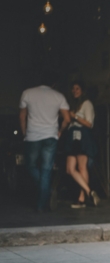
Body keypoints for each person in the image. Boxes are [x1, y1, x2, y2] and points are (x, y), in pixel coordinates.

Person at [19, 71, 71, 212]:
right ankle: (41, 205)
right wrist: (60, 130)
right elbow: (67, 119)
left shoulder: (27, 93)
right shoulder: (59, 96)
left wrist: (24, 133)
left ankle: (46, 191)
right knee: (46, 170)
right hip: (50, 136)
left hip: (33, 136)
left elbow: (22, 115)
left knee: (30, 166)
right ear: (53, 84)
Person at [64, 81, 99, 208]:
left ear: (83, 91)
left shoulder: (87, 103)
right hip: (72, 137)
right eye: (73, 88)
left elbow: (89, 124)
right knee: (69, 169)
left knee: (82, 167)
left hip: (82, 137)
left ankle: (82, 198)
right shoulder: (74, 105)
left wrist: (75, 117)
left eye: (77, 88)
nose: (74, 91)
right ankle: (90, 192)